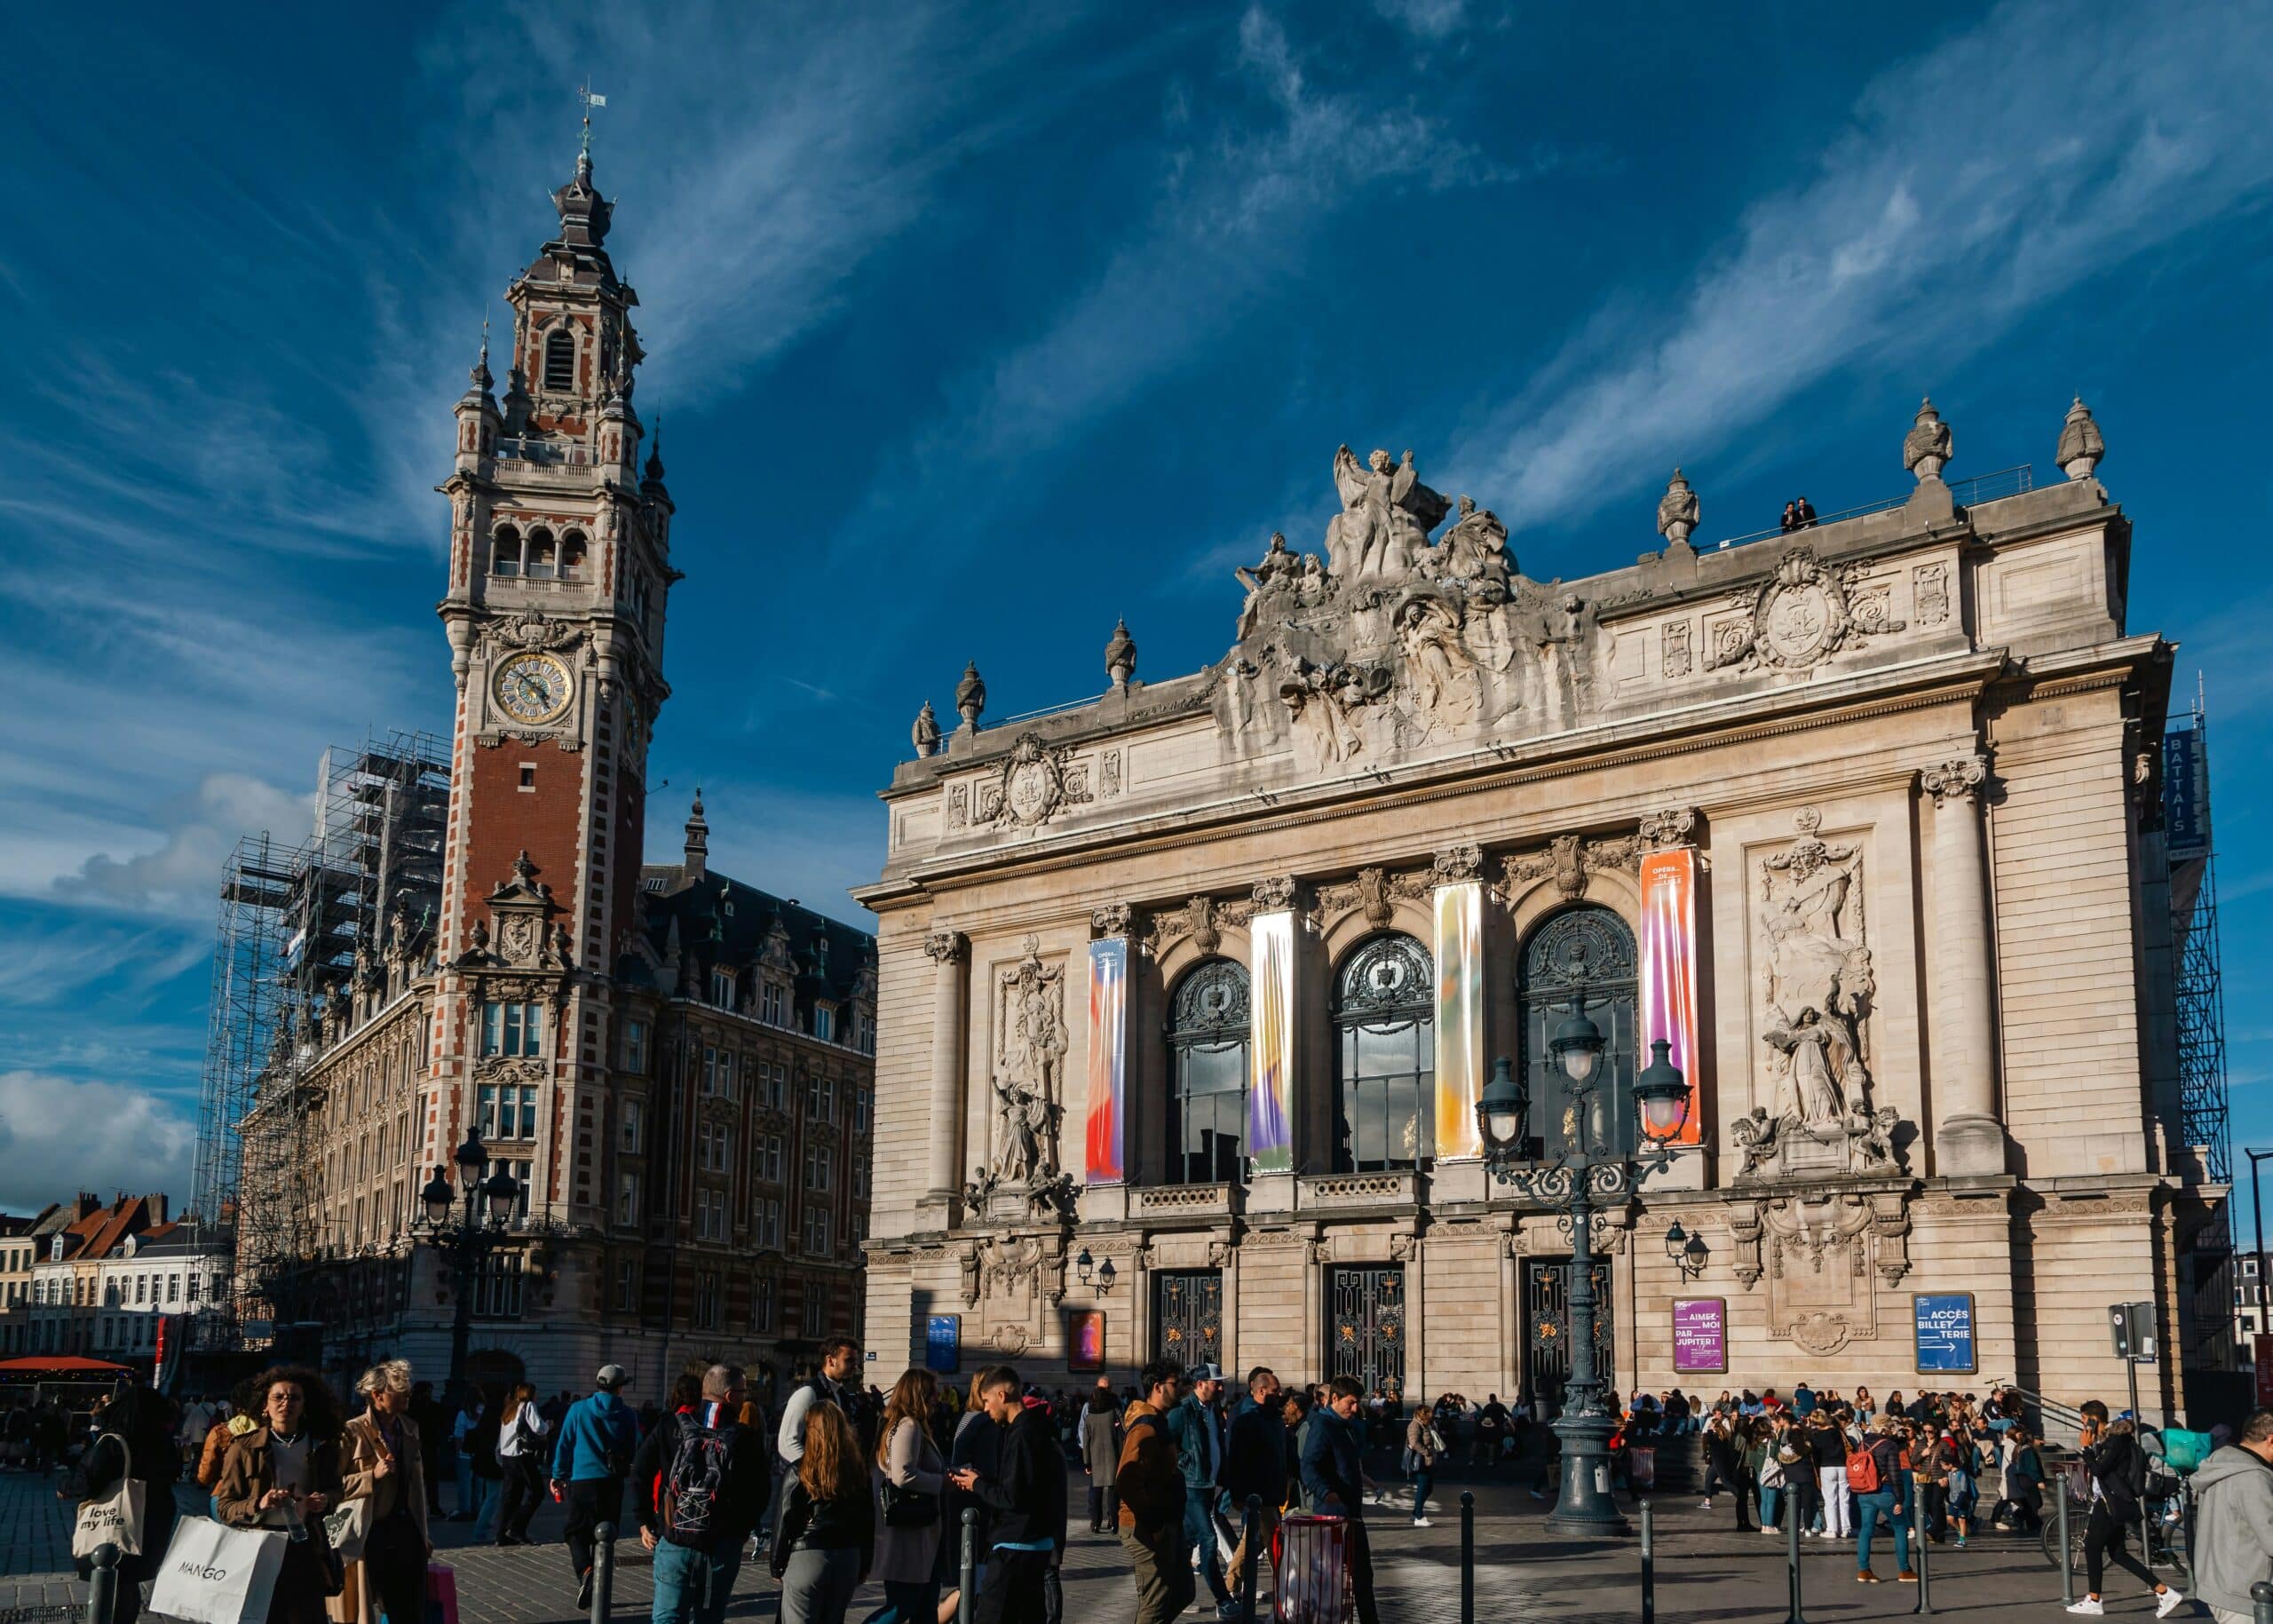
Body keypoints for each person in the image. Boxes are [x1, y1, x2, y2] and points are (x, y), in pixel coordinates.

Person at [214, 1367, 346, 1624]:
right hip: (258, 1547)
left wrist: (322, 1501)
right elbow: (225, 1507)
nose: (286, 1403)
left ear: (305, 1404)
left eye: (295, 1397)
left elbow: (336, 1491)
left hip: (305, 1545)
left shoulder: (322, 1447)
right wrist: (259, 1503)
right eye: (279, 1397)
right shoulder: (244, 1447)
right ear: (266, 1404)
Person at [640, 1365, 771, 1624]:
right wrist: (742, 1531)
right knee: (709, 1618)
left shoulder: (670, 1424)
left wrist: (646, 1519)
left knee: (667, 1617)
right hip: (722, 1545)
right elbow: (761, 1491)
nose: (746, 1397)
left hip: (675, 1539)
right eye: (744, 1391)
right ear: (731, 1395)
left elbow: (641, 1471)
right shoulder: (745, 1436)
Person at [950, 1369, 1065, 1624]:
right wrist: (985, 1480)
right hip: (1037, 1543)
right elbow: (1025, 1485)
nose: (987, 1410)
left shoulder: (1021, 1434)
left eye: (987, 1402)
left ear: (1001, 1395)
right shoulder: (1038, 1430)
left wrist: (977, 1484)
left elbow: (1011, 1496)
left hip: (1015, 1546)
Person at [60, 1382, 178, 1624]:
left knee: (112, 1582)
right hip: (149, 1525)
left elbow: (88, 1479)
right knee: (129, 1584)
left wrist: (64, 1486)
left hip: (117, 1525)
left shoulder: (115, 1441)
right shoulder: (163, 1442)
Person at [336, 1359, 429, 1624]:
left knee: (410, 1607)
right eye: (399, 1389)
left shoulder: (410, 1428)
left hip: (406, 1530)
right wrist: (371, 1476)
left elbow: (417, 1487)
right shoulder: (351, 1432)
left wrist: (424, 1534)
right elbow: (332, 1486)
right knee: (365, 1609)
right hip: (368, 1531)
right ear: (378, 1395)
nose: (407, 1394)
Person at [2069, 1406, 2184, 1618]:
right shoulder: (2109, 1441)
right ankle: (2164, 1592)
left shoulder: (2116, 1441)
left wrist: (2085, 1449)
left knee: (2092, 1547)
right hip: (2110, 1501)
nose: (2083, 1423)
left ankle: (2094, 1599)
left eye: (2085, 1418)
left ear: (2095, 1418)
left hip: (2109, 1503)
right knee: (2118, 1553)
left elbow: (2098, 1470)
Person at [769, 1398, 870, 1624]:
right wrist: (864, 1563)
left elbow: (785, 1519)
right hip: (847, 1555)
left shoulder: (800, 1471)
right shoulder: (857, 1470)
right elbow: (867, 1520)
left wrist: (777, 1564)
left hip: (808, 1554)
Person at [551, 1364, 639, 1611]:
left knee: (575, 1532)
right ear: (620, 1388)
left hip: (583, 1481)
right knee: (607, 1536)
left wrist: (558, 1474)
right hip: (612, 1483)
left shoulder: (578, 1410)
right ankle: (602, 1589)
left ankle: (586, 1570)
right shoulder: (628, 1414)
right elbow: (633, 1448)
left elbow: (565, 1444)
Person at [863, 1370, 946, 1624]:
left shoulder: (902, 1423)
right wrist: (943, 1483)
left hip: (916, 1532)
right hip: (909, 1532)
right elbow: (902, 1475)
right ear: (920, 1394)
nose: (937, 1399)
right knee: (903, 1606)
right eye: (933, 1393)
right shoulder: (908, 1425)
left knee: (925, 1606)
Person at [1116, 1359, 1193, 1624]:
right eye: (1176, 1383)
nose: (1181, 1388)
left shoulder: (1158, 1420)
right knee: (1156, 1602)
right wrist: (1153, 1522)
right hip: (1146, 1526)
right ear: (1158, 1387)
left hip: (1165, 1519)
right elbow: (1126, 1479)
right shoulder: (1145, 1426)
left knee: (1183, 1591)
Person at [1300, 1377, 1380, 1624]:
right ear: (1334, 1399)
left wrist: (1361, 1477)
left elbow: (1343, 1463)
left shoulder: (1344, 1426)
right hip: (1332, 1517)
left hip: (1350, 1514)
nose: (1355, 1409)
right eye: (1351, 1403)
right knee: (1331, 1579)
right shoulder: (1323, 1426)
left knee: (1363, 1575)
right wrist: (1325, 1492)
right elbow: (1308, 1465)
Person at [2190, 1408, 2273, 1624]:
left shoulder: (2222, 1463)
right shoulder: (2252, 1477)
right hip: (2246, 1591)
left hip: (2220, 1584)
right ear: (2271, 1441)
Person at [1167, 1364, 1235, 1620]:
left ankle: (1174, 1592)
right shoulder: (1183, 1410)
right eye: (1215, 1382)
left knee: (1187, 1541)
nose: (1220, 1387)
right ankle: (1223, 1599)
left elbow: (1216, 1444)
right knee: (1208, 1540)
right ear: (1200, 1384)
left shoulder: (1213, 1409)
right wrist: (1185, 1463)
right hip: (1193, 1486)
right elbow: (1166, 1441)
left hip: (1209, 1485)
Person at [1219, 1368, 1284, 1605]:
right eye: (1275, 1391)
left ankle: (1230, 1588)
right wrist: (1237, 1492)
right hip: (1258, 1490)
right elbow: (1235, 1456)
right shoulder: (1246, 1415)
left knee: (1255, 1543)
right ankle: (1285, 1588)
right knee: (1272, 1542)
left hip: (1271, 1489)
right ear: (1261, 1391)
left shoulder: (1271, 1415)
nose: (1280, 1395)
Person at [1849, 1420, 1913, 1584]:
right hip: (1884, 1491)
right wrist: (1900, 1498)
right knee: (1900, 1528)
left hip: (1864, 1492)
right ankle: (1904, 1570)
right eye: (1891, 1427)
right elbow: (1894, 1473)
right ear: (1885, 1428)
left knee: (1866, 1530)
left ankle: (1864, 1570)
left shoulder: (1863, 1443)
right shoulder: (1889, 1445)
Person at [490, 1381, 549, 1546]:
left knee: (511, 1496)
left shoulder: (509, 1408)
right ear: (530, 1394)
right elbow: (539, 1428)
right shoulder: (527, 1406)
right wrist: (548, 1426)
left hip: (507, 1456)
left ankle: (500, 1533)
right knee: (537, 1491)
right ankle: (517, 1527)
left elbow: (502, 1434)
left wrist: (499, 1455)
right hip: (521, 1455)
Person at [1078, 1380, 1120, 1533]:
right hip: (1113, 1456)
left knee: (1096, 1492)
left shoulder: (1089, 1417)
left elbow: (1086, 1442)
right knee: (1113, 1492)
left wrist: (1086, 1463)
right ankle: (1114, 1522)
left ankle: (1095, 1523)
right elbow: (1120, 1435)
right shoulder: (1112, 1413)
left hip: (1095, 1459)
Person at [408, 1382, 447, 1516]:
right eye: (428, 1391)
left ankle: (416, 1507)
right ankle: (433, 1506)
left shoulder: (411, 1407)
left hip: (418, 1446)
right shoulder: (433, 1407)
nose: (429, 1394)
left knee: (417, 1479)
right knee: (430, 1479)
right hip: (427, 1446)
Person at [1404, 1400, 1443, 1528]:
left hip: (1428, 1461)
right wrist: (1426, 1452)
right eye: (1429, 1414)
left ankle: (1415, 1513)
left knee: (1428, 1488)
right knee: (1422, 1488)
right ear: (1423, 1414)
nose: (1431, 1416)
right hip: (1420, 1461)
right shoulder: (1415, 1425)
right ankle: (1419, 1517)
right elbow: (1414, 1443)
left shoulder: (1427, 1425)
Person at [448, 1390, 485, 1522]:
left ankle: (465, 1509)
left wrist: (458, 1452)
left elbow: (458, 1434)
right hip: (481, 1452)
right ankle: (478, 1509)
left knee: (465, 1483)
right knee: (479, 1483)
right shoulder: (484, 1412)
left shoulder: (463, 1413)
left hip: (465, 1453)